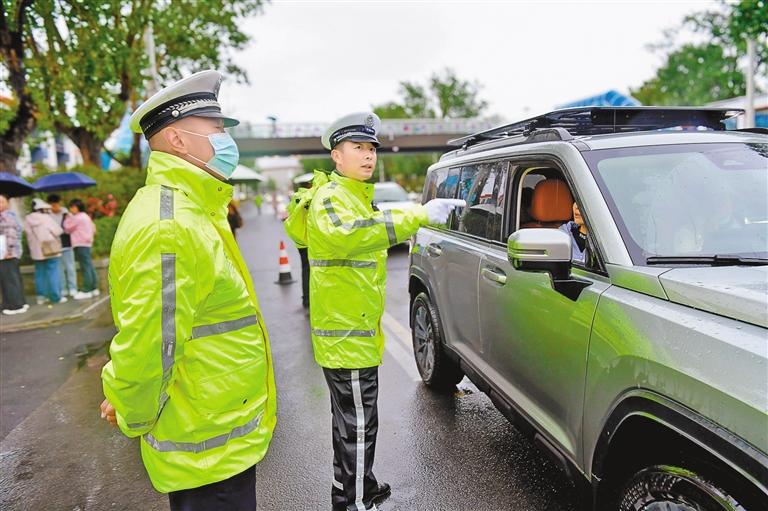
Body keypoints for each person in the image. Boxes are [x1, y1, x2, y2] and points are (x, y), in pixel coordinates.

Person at [99, 69, 276, 511]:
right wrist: (130, 409)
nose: (225, 140)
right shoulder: (171, 225)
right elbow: (148, 344)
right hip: (206, 448)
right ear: (177, 140)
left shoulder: (193, 208)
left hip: (216, 434)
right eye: (216, 128)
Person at [306, 112, 463, 511]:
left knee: (351, 422)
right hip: (345, 338)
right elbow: (354, 234)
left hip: (351, 333)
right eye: (357, 147)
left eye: (372, 149)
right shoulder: (332, 198)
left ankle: (358, 486)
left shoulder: (351, 194)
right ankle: (355, 503)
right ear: (336, 155)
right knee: (358, 426)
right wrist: (419, 214)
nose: (368, 155)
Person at [23, 198, 66, 305]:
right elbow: (58, 231)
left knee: (39, 273)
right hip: (50, 249)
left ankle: (41, 297)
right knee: (53, 272)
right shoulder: (46, 218)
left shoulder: (27, 219)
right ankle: (55, 297)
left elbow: (27, 234)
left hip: (36, 251)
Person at [64, 198, 99, 299]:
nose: (71, 209)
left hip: (80, 244)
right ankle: (93, 287)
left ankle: (87, 290)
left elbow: (67, 228)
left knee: (85, 267)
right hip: (87, 244)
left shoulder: (77, 218)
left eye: (72, 207)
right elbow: (93, 229)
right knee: (89, 265)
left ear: (77, 207)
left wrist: (67, 217)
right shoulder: (86, 216)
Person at [0, 194, 28, 315]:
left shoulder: (6, 217)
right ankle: (10, 303)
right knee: (9, 279)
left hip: (8, 253)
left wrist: (8, 251)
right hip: (6, 253)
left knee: (10, 280)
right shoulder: (7, 216)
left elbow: (11, 235)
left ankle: (16, 305)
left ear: (7, 203)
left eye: (1, 202)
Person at [47, 194, 78, 298]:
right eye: (52, 205)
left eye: (56, 204)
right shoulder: (48, 215)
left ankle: (73, 288)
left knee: (70, 267)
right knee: (59, 270)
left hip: (67, 244)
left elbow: (73, 224)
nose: (54, 207)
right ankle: (63, 289)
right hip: (55, 246)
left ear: (59, 203)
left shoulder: (66, 213)